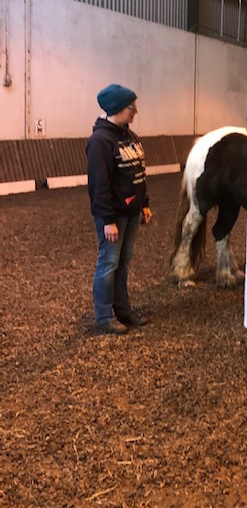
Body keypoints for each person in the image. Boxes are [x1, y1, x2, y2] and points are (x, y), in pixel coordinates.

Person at [87, 84, 152, 335]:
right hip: (114, 215)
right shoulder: (100, 141)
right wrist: (107, 220)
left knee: (123, 262)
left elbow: (137, 174)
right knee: (108, 262)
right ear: (117, 108)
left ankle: (123, 309)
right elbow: (99, 185)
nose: (135, 111)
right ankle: (104, 316)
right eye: (131, 107)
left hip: (132, 212)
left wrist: (144, 204)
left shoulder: (129, 136)